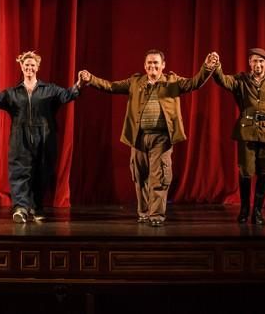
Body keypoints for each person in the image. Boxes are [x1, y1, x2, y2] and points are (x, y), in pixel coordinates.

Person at [80, 50, 219, 227]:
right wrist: (91, 79)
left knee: (159, 177)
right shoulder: (135, 82)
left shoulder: (172, 81)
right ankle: (144, 213)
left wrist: (207, 67)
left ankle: (156, 216)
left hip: (161, 139)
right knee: (140, 177)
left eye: (156, 63)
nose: (152, 66)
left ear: (163, 65)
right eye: (149, 63)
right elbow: (111, 86)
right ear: (145, 66)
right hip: (138, 138)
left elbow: (194, 83)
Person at [0, 51, 83, 223]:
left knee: (42, 173)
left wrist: (79, 84)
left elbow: (66, 95)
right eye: (26, 65)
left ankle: (35, 207)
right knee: (20, 172)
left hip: (44, 138)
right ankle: (20, 207)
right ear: (21, 67)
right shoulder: (13, 93)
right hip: (20, 139)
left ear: (38, 67)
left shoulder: (49, 90)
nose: (29, 67)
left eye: (32, 65)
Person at [213, 48, 265, 225]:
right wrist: (217, 67)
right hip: (246, 132)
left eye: (261, 61)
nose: (258, 64)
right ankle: (244, 209)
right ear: (249, 63)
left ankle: (257, 211)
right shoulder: (241, 80)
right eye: (254, 61)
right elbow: (223, 81)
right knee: (246, 172)